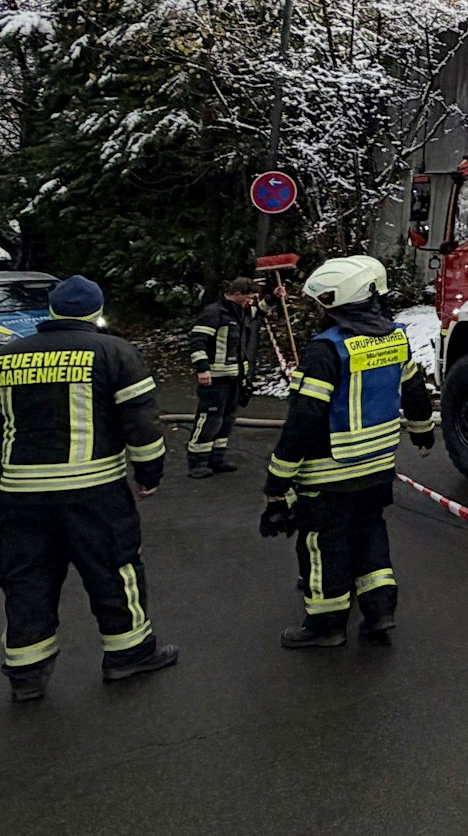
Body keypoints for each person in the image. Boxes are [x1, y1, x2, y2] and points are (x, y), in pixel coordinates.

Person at [0, 276, 175, 702]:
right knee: (114, 569)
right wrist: (149, 474)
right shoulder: (114, 352)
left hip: (18, 493)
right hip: (93, 489)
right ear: (96, 312)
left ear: (52, 310)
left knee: (26, 578)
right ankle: (128, 653)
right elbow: (141, 422)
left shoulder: (7, 357)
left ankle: (26, 674)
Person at [260, 256, 433, 648]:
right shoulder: (396, 338)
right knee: (370, 531)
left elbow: (304, 418)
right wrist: (422, 432)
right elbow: (414, 390)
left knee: (324, 544)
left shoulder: (326, 351)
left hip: (328, 474)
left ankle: (326, 625)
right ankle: (379, 611)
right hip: (378, 467)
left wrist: (277, 481)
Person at [187, 275, 267, 477]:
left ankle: (217, 459)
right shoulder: (215, 313)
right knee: (209, 418)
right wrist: (202, 368)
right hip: (216, 377)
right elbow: (197, 341)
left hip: (235, 377)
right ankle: (197, 462)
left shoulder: (241, 312)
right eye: (249, 297)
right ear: (237, 294)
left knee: (227, 419)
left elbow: (260, 312)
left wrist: (274, 297)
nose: (251, 302)